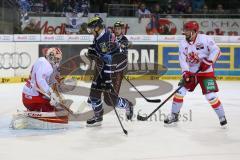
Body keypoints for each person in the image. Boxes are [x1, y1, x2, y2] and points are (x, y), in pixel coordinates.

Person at [164, 21, 227, 127]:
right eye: (185, 30)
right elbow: (182, 60)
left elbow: (217, 50)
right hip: (192, 72)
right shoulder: (183, 43)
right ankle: (174, 115)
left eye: (187, 31)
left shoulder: (205, 39)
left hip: (206, 72)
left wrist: (208, 62)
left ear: (194, 31)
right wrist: (185, 72)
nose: (185, 33)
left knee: (210, 96)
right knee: (180, 92)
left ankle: (222, 116)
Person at [85, 16, 133, 127]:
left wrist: (106, 80)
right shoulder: (100, 35)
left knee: (110, 100)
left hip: (114, 70)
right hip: (103, 67)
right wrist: (93, 50)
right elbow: (101, 53)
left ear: (97, 28)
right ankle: (98, 117)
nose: (90, 31)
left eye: (91, 29)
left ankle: (128, 105)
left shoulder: (105, 39)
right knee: (94, 95)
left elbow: (109, 60)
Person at [11, 47, 70, 129]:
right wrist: (51, 94)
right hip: (34, 98)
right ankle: (29, 117)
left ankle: (33, 111)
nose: (57, 62)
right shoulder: (47, 65)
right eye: (56, 59)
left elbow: (45, 82)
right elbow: (40, 82)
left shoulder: (41, 60)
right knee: (55, 111)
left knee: (55, 107)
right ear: (51, 57)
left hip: (28, 96)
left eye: (58, 59)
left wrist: (53, 94)